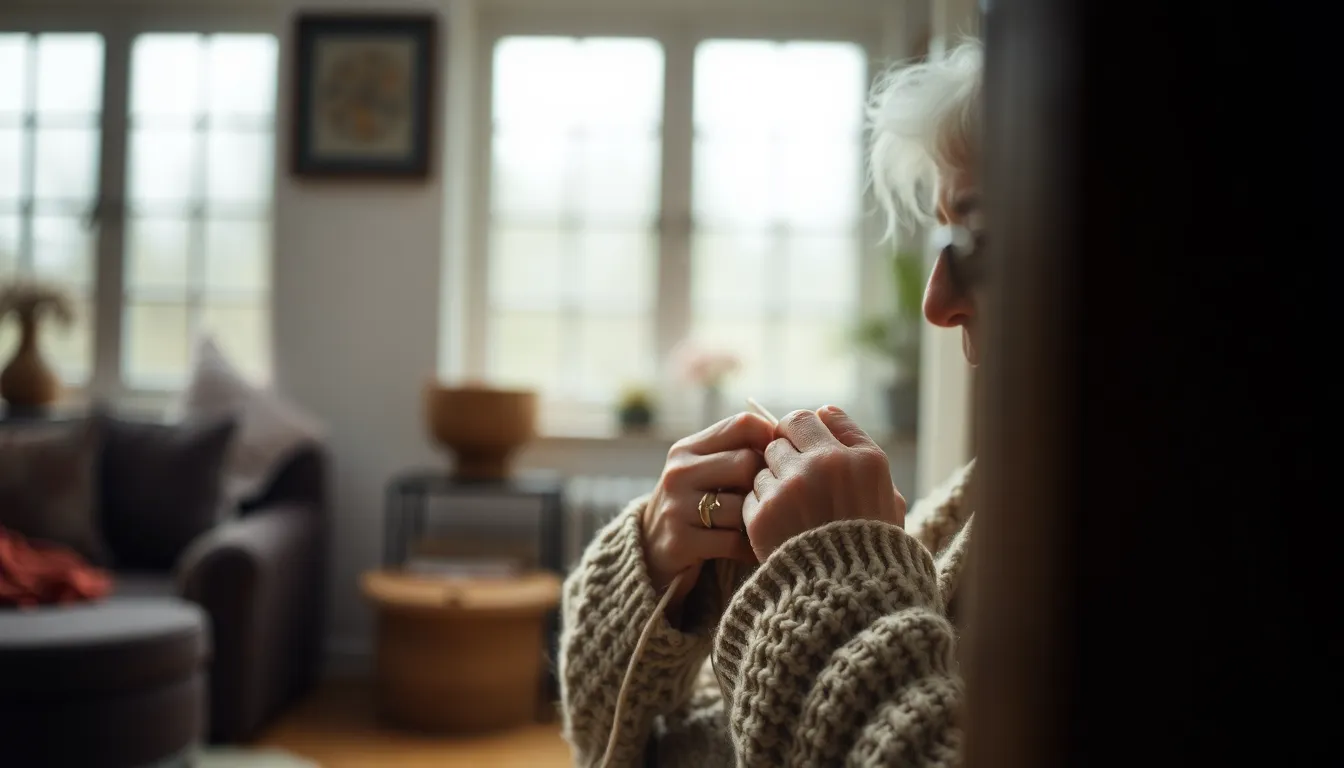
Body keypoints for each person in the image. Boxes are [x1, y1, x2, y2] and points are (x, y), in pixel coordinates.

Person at [559, 39, 986, 767]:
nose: (935, 302)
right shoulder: (991, 495)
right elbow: (679, 741)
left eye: (978, 234)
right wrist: (662, 568)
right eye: (945, 234)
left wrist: (835, 567)